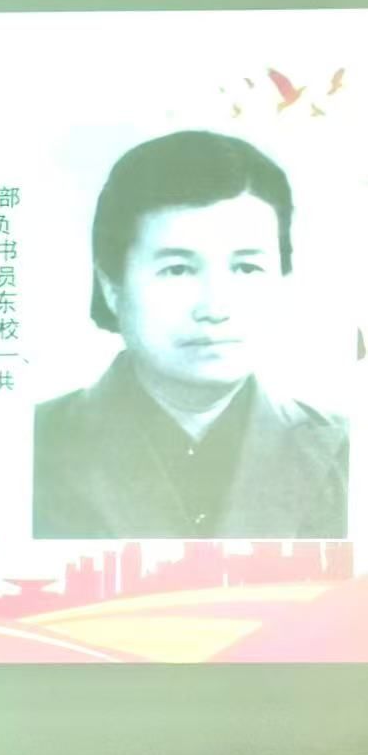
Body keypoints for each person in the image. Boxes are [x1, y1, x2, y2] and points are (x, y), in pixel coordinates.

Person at [33, 130, 349, 539]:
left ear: (282, 281)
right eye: (177, 269)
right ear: (111, 287)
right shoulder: (30, 442)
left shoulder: (347, 451)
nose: (215, 308)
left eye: (246, 268)